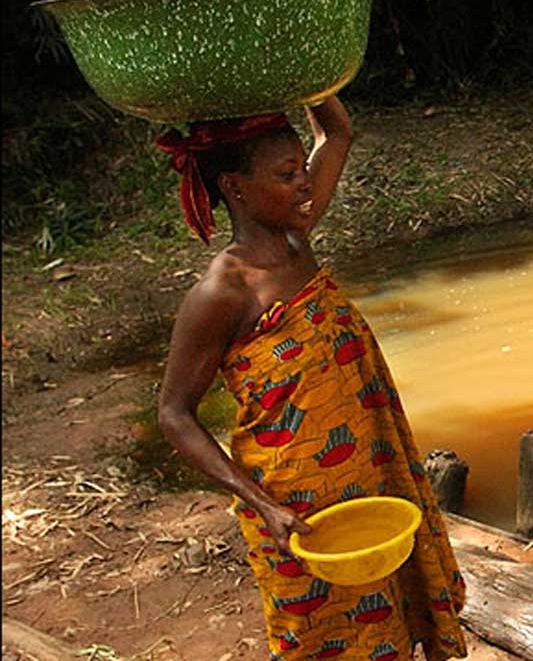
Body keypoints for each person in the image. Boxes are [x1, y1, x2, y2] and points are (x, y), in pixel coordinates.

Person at [155, 96, 468, 661]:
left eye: (303, 169)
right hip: (294, 501)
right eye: (286, 175)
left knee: (392, 607)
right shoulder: (221, 292)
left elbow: (339, 132)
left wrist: (308, 79)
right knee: (321, 636)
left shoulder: (296, 236)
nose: (305, 184)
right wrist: (261, 505)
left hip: (370, 466)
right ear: (236, 187)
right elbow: (174, 414)